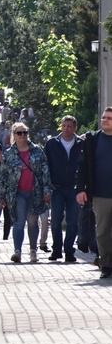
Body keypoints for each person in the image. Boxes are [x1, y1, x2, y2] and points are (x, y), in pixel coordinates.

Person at [0, 123, 51, 264]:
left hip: (35, 193)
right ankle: (17, 251)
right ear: (14, 135)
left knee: (33, 222)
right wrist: (1, 196)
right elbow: (2, 176)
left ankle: (33, 250)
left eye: (25, 132)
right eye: (19, 133)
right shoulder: (9, 154)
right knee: (19, 221)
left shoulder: (37, 152)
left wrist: (47, 192)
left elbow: (45, 173)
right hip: (17, 193)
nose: (22, 135)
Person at [76, 107, 112, 278]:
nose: (105, 120)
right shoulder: (93, 140)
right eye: (104, 117)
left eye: (109, 118)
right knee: (103, 231)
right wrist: (81, 189)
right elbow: (82, 166)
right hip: (100, 194)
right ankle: (106, 265)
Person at [45, 116, 82, 262]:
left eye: (69, 126)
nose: (66, 129)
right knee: (55, 220)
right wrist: (47, 185)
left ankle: (69, 251)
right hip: (57, 188)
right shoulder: (52, 144)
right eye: (64, 126)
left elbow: (85, 166)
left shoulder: (81, 144)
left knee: (72, 222)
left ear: (75, 128)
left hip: (74, 188)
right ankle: (56, 250)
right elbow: (45, 166)